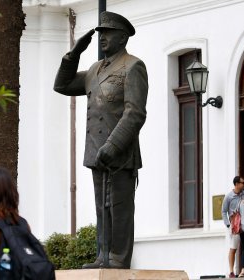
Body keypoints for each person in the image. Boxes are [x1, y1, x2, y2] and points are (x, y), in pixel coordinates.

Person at [53, 11, 148, 269]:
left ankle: (118, 258)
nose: (102, 37)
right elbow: (62, 85)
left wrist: (113, 145)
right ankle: (102, 256)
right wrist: (74, 53)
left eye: (108, 33)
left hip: (120, 153)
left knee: (119, 208)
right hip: (96, 151)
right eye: (101, 33)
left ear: (122, 38)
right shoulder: (95, 70)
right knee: (102, 208)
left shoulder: (133, 66)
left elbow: (135, 112)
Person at [221, 176, 244, 278]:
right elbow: (223, 211)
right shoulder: (228, 197)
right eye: (242, 183)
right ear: (236, 184)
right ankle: (231, 271)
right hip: (235, 226)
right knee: (233, 248)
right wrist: (228, 224)